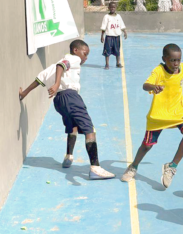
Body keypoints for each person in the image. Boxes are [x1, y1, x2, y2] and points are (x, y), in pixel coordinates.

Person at [121, 44, 183, 187]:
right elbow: (145, 85)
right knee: (147, 146)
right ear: (164, 59)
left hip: (178, 112)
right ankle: (133, 166)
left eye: (178, 60)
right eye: (172, 60)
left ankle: (172, 166)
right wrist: (153, 87)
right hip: (158, 115)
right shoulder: (159, 71)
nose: (175, 64)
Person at [18, 40, 115, 179]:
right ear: (76, 50)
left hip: (58, 101)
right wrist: (57, 83)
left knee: (72, 126)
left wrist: (24, 93)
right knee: (89, 129)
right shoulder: (73, 59)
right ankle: (95, 167)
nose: (85, 58)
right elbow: (61, 65)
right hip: (71, 96)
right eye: (85, 54)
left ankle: (69, 156)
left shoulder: (51, 67)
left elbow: (39, 80)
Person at [101, 2, 128, 70]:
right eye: (111, 7)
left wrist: (125, 32)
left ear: (116, 8)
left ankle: (118, 63)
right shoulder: (106, 17)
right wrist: (102, 36)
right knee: (107, 51)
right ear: (108, 8)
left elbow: (122, 25)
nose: (112, 8)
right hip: (109, 36)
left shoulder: (118, 16)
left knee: (117, 50)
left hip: (117, 36)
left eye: (114, 7)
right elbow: (104, 27)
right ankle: (107, 64)